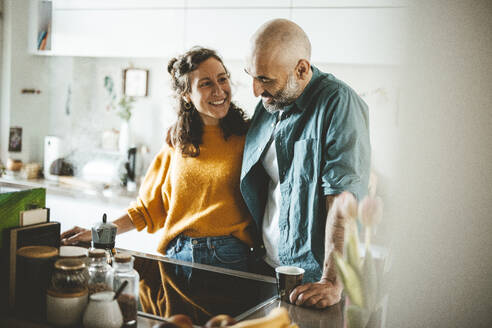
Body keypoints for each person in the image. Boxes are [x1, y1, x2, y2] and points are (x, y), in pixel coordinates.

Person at [61, 47, 256, 272]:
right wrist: (99, 233)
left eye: (222, 79)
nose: (219, 90)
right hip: (177, 258)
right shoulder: (176, 142)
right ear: (187, 95)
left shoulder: (249, 138)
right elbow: (146, 209)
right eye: (206, 83)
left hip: (229, 259)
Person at [240, 19, 371, 308]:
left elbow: (343, 199)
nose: (255, 90)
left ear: (302, 69)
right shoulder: (270, 102)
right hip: (264, 267)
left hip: (312, 280)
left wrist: (333, 281)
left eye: (264, 79)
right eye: (251, 75)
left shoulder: (338, 102)